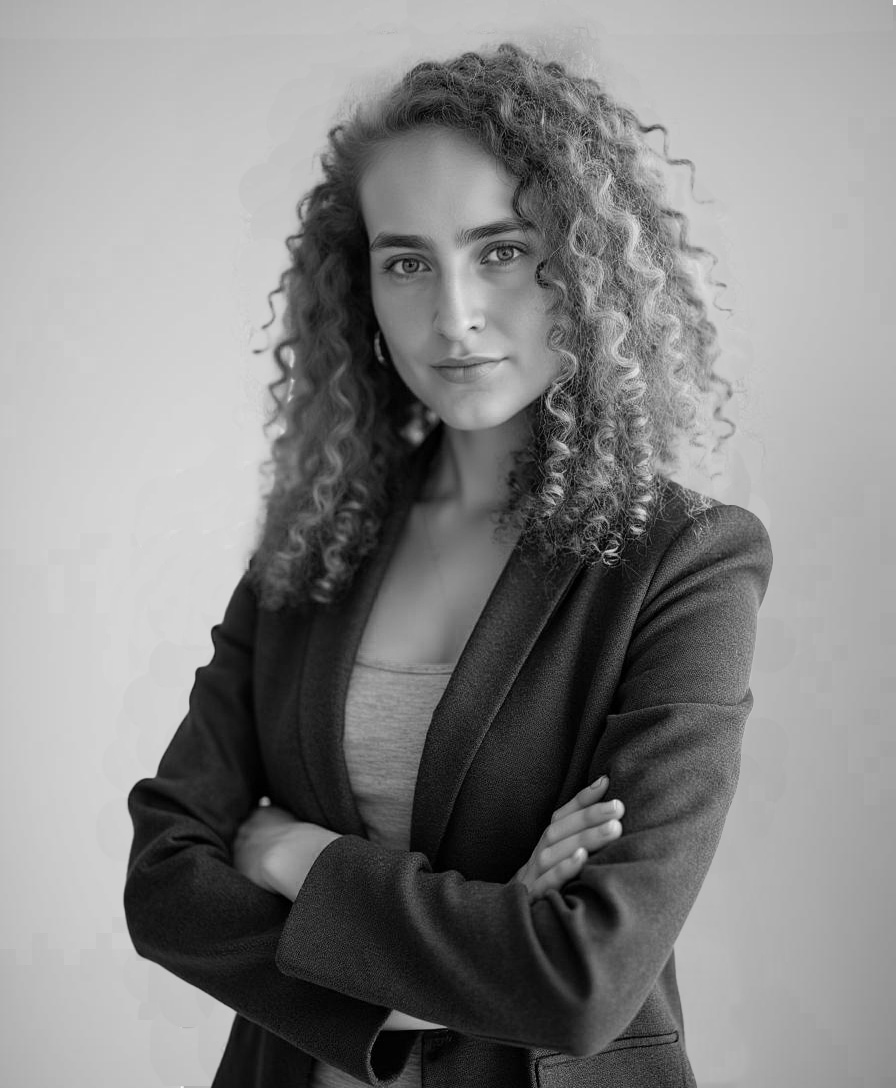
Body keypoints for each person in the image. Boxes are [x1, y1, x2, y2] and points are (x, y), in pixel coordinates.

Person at [124, 41, 773, 1088]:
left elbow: (578, 979)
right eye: (407, 260)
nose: (454, 313)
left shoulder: (685, 560)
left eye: (503, 248)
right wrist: (465, 950)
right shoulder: (315, 540)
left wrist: (291, 855)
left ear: (588, 264)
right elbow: (162, 878)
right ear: (362, 294)